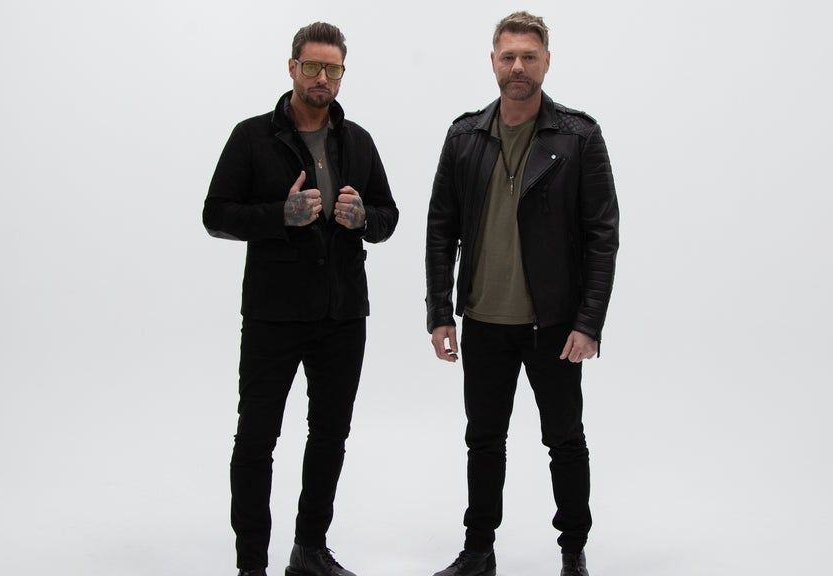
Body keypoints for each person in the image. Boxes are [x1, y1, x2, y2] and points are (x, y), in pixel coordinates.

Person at [425, 11, 619, 576]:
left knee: (565, 440)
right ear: (492, 61)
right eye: (508, 56)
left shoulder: (579, 137)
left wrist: (588, 322)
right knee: (484, 440)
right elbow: (440, 230)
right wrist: (440, 313)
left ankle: (573, 553)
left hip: (554, 326)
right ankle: (478, 550)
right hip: (484, 320)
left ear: (546, 62)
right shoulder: (464, 137)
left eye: (528, 57)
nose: (518, 67)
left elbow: (602, 233)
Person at [203, 21, 398, 576]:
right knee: (256, 438)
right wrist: (279, 216)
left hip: (343, 315)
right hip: (273, 314)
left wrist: (364, 219)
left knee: (330, 435)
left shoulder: (357, 140)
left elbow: (388, 215)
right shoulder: (252, 137)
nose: (322, 79)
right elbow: (216, 215)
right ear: (292, 67)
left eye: (333, 69)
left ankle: (309, 550)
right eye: (312, 67)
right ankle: (251, 564)